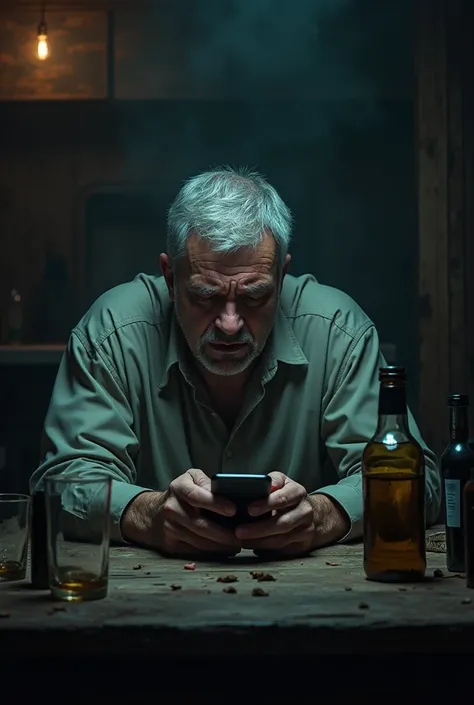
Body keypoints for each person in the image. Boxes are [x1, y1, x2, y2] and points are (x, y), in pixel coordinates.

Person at [31, 166, 441, 559]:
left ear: (282, 276)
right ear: (169, 278)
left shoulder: (338, 331)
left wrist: (326, 514)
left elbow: (422, 483)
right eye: (206, 296)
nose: (229, 324)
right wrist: (147, 514)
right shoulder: (112, 333)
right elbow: (60, 484)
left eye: (254, 295)